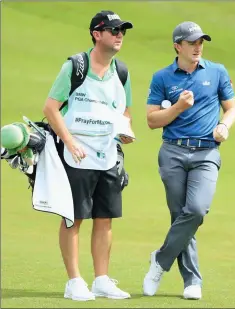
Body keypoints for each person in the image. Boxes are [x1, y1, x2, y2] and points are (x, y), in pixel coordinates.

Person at [42, 10, 135, 301]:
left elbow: (125, 112)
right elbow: (50, 108)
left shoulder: (121, 72)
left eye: (122, 30)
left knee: (105, 218)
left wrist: (124, 131)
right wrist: (69, 142)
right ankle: (74, 281)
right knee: (74, 218)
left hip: (107, 154)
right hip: (76, 154)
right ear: (97, 34)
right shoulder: (76, 66)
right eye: (114, 30)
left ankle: (102, 280)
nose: (119, 35)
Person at [143, 21, 235, 300]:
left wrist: (225, 126)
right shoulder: (162, 78)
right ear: (178, 46)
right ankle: (191, 281)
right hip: (172, 151)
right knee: (179, 215)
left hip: (206, 152)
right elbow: (151, 120)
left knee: (195, 210)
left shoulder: (217, 71)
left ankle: (160, 261)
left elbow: (231, 109)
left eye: (201, 42)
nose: (198, 47)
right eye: (192, 42)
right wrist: (178, 107)